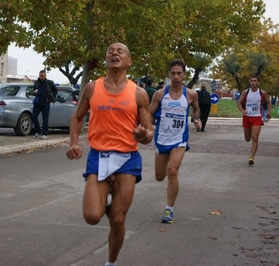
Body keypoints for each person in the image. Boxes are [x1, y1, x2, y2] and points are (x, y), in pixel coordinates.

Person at [66, 43, 154, 266]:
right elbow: (77, 117)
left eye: (120, 51)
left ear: (129, 61)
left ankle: (111, 263)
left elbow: (148, 133)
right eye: (110, 52)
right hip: (99, 156)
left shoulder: (139, 93)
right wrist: (74, 143)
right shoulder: (92, 88)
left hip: (127, 159)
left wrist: (142, 134)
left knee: (118, 219)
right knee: (92, 216)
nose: (115, 54)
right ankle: (106, 200)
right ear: (106, 59)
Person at [149, 59, 202, 224]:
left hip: (179, 139)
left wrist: (197, 120)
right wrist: (147, 127)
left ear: (184, 75)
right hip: (161, 139)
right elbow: (149, 114)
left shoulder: (191, 94)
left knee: (172, 171)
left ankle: (169, 210)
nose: (176, 76)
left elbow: (196, 110)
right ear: (169, 75)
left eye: (179, 73)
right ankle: (167, 174)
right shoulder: (160, 94)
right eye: (173, 73)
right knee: (159, 176)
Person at [237, 76, 271, 165]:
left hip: (256, 117)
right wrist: (242, 111)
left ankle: (252, 157)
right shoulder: (245, 92)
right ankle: (251, 154)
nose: (253, 82)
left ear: (258, 83)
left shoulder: (262, 93)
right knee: (247, 139)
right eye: (251, 81)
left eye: (255, 81)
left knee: (255, 137)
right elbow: (239, 102)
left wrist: (268, 113)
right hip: (247, 117)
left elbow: (268, 102)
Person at [31, 70, 58, 140]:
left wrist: (52, 98)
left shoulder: (49, 82)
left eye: (42, 76)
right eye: (40, 76)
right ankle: (37, 131)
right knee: (34, 116)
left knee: (45, 119)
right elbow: (33, 91)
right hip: (37, 103)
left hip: (46, 102)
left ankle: (45, 133)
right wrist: (34, 92)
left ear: (45, 75)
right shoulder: (36, 82)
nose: (41, 77)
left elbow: (55, 90)